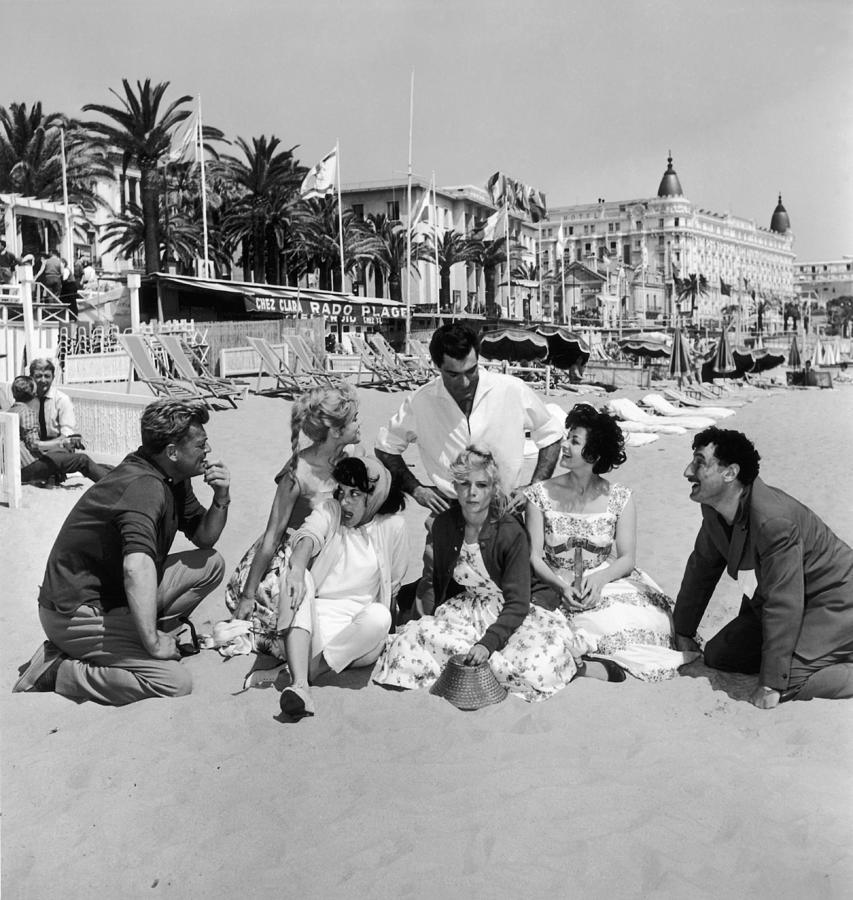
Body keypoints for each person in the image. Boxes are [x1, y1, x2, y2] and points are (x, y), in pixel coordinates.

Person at [12, 399, 230, 705]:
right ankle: (57, 671)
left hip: (112, 597)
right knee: (174, 682)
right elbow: (136, 568)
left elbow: (205, 538)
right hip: (74, 612)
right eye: (201, 444)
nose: (207, 450)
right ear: (172, 452)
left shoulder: (171, 477)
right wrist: (153, 645)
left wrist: (222, 497)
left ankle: (134, 636)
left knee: (211, 564)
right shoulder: (145, 488)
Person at [375, 322, 564, 610]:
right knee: (436, 596)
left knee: (519, 595)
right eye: (453, 374)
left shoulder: (510, 389)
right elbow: (386, 446)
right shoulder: (422, 400)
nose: (464, 383)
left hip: (504, 509)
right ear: (437, 366)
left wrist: (534, 489)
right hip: (449, 511)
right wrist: (417, 490)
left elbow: (550, 434)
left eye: (470, 371)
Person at [373, 446, 580, 702]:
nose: (472, 493)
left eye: (481, 485)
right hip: (466, 609)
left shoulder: (509, 530)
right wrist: (427, 620)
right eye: (464, 484)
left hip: (515, 611)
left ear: (493, 488)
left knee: (536, 667)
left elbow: (517, 602)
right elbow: (441, 583)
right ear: (455, 487)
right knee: (405, 647)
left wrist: (487, 643)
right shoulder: (444, 525)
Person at [673, 427, 853, 706]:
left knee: (788, 681)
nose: (688, 471)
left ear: (730, 473)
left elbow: (784, 602)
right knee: (720, 655)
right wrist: (683, 632)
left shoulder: (773, 522)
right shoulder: (714, 508)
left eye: (699, 463)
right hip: (783, 603)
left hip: (834, 601)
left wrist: (770, 684)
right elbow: (702, 568)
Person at [525, 404, 699, 682]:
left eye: (574, 440)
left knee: (639, 623)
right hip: (555, 579)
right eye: (567, 437)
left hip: (605, 578)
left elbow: (627, 558)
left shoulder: (620, 497)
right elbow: (534, 556)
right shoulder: (539, 495)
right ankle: (595, 665)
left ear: (593, 453)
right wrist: (561, 586)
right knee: (584, 628)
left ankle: (601, 665)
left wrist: (601, 580)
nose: (565, 446)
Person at [277, 456, 408, 720]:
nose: (345, 501)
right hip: (312, 629)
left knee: (380, 616)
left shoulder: (393, 527)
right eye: (343, 492)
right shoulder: (330, 510)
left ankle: (310, 671)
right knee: (295, 575)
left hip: (357, 641)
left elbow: (393, 586)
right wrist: (298, 569)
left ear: (374, 497)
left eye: (355, 494)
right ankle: (301, 683)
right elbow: (307, 536)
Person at [224, 384, 360, 622]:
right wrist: (248, 594)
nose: (360, 424)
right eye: (354, 420)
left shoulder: (354, 454)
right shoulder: (296, 473)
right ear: (336, 431)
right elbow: (272, 535)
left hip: (334, 545)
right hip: (294, 552)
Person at [8, 375, 110, 485]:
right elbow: (34, 444)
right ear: (33, 394)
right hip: (30, 467)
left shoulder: (9, 412)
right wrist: (63, 442)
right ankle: (112, 485)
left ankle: (111, 472)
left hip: (17, 467)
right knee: (82, 460)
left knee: (68, 458)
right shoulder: (26, 412)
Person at [26, 358, 76, 443]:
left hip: (57, 444)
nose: (43, 380)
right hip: (32, 446)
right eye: (38, 376)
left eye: (47, 376)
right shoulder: (26, 399)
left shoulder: (62, 400)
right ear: (31, 377)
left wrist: (45, 445)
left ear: (53, 377)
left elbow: (67, 432)